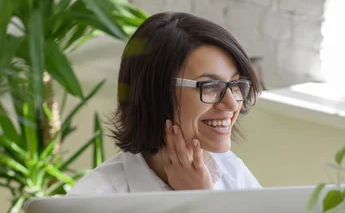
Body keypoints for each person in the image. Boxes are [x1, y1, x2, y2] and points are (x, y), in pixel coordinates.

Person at [70, 12, 262, 195]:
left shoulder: (231, 170)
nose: (231, 104)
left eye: (236, 85)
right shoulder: (95, 200)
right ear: (155, 92)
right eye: (211, 86)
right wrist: (198, 201)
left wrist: (201, 196)